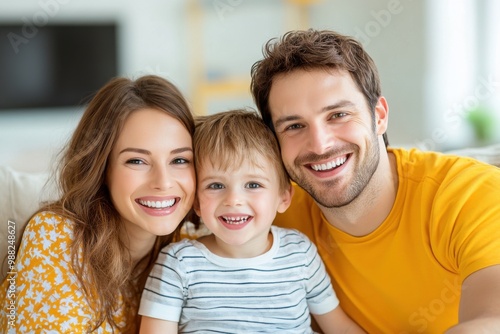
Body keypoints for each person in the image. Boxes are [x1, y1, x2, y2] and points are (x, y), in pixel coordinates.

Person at [250, 29, 500, 333]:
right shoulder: (268, 215)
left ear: (379, 116)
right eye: (294, 125)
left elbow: (491, 321)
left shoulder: (468, 194)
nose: (319, 144)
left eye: (338, 115)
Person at [0, 75, 199, 333]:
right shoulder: (55, 236)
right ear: (102, 168)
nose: (163, 182)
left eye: (180, 160)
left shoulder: (191, 244)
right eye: (137, 161)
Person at [138, 110, 365, 333]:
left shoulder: (300, 254)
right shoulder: (179, 264)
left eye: (253, 185)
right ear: (197, 202)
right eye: (216, 186)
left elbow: (339, 327)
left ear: (283, 197)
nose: (234, 200)